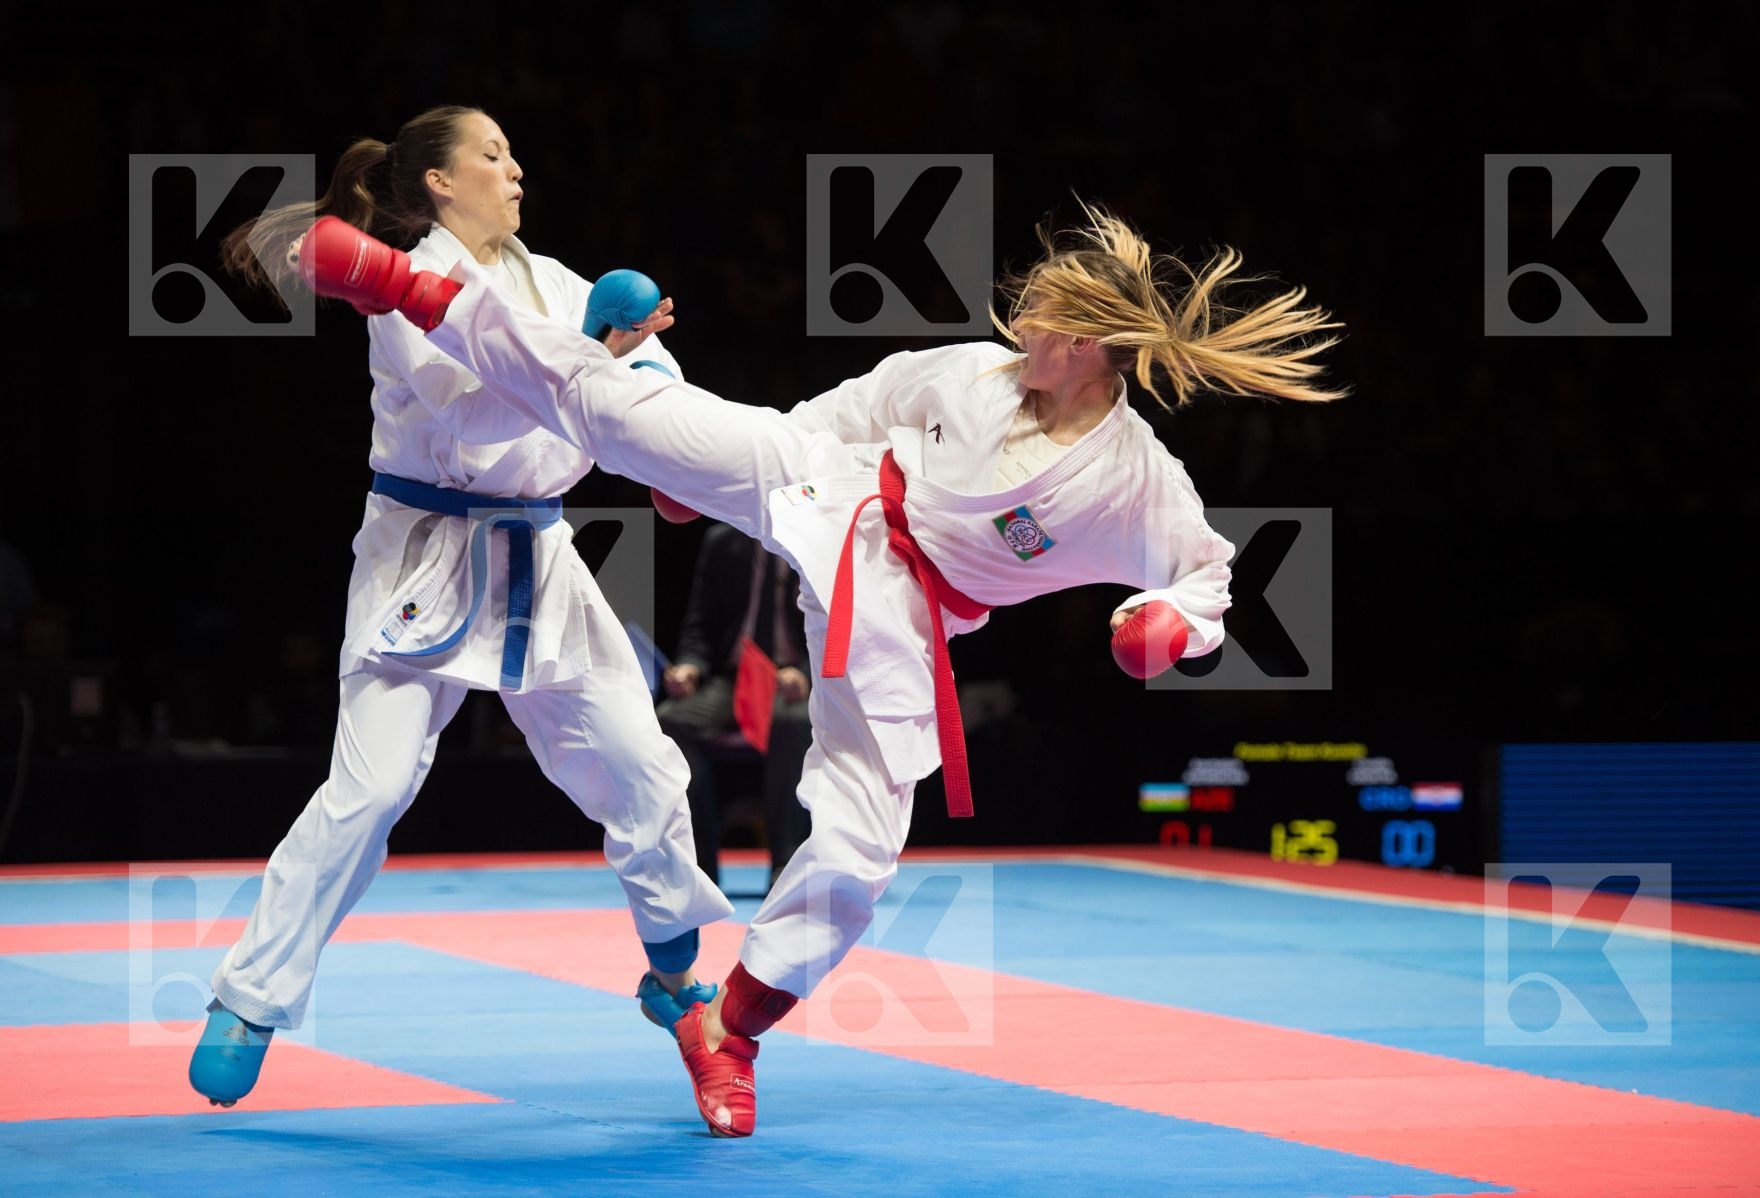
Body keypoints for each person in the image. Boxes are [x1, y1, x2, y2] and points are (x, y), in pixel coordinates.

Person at [293, 201, 1345, 1137]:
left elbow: (1209, 580)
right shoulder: (970, 373)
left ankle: (732, 1029)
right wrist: (709, 478)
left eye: (1039, 322)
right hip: (827, 487)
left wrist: (1155, 625)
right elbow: (853, 409)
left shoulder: (1134, 479)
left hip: (902, 614)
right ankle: (406, 286)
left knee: (856, 857)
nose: (1019, 331)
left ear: (1081, 343)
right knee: (623, 411)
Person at [188, 105, 732, 1109]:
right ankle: (250, 994)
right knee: (371, 787)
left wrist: (666, 433)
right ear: (438, 182)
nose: (516, 168)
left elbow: (650, 372)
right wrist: (598, 352)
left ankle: (680, 983)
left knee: (646, 767)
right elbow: (482, 405)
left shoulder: (558, 280)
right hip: (422, 556)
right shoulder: (400, 290)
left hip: (538, 554)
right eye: (492, 154)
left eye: (516, 152)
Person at [658, 522, 812, 888]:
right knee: (672, 722)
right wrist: (691, 666)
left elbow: (839, 621)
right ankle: (699, 871)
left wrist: (807, 673)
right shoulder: (723, 541)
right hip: (734, 679)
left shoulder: (815, 539)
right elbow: (699, 623)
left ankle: (786, 869)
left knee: (792, 723)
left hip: (790, 680)